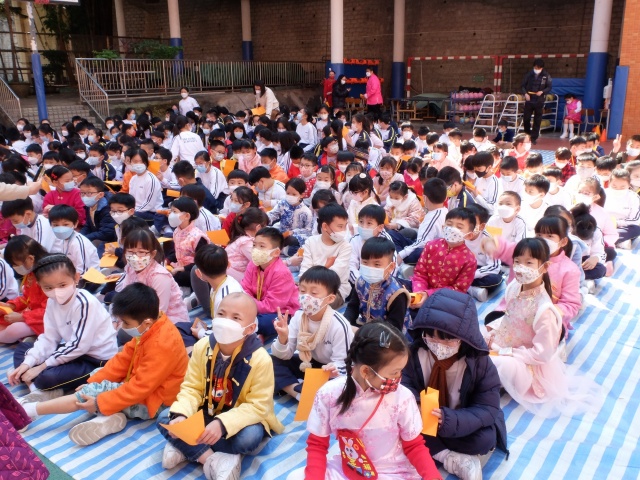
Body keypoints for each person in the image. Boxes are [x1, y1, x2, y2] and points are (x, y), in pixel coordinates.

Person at [18, 283, 189, 445]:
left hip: (157, 401)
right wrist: (94, 381)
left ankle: (28, 411)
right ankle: (109, 417)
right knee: (97, 376)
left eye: (126, 323)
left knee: (89, 393)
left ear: (147, 322)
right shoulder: (151, 327)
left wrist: (100, 401)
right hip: (141, 385)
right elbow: (123, 359)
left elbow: (140, 387)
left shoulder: (162, 343)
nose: (122, 326)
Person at [157, 293, 284, 478]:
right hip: (207, 411)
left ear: (250, 328)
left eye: (235, 318)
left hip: (239, 420)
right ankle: (210, 458)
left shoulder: (260, 359)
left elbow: (258, 406)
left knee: (249, 438)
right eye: (221, 314)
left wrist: (223, 424)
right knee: (165, 417)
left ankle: (186, 446)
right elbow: (192, 388)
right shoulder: (202, 347)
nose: (225, 322)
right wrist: (182, 415)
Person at [292, 322, 441, 480]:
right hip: (350, 469)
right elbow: (317, 444)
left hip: (392, 472)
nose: (399, 378)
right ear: (365, 371)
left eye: (400, 371)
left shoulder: (402, 397)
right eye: (394, 372)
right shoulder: (328, 394)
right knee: (296, 477)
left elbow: (414, 445)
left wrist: (433, 477)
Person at [484, 238, 602, 417]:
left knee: (496, 363)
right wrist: (492, 333)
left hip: (525, 363)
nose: (521, 268)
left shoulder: (544, 310)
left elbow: (541, 354)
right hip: (504, 344)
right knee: (471, 337)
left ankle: (500, 384)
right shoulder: (514, 287)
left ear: (545, 267)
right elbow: (509, 318)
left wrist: (505, 352)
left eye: (529, 263)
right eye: (517, 262)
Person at [403, 289, 508, 480]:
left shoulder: (479, 363)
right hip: (420, 420)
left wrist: (449, 420)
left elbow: (487, 408)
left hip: (458, 419)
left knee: (484, 439)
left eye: (447, 339)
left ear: (464, 337)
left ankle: (431, 449)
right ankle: (449, 457)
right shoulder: (415, 353)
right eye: (430, 336)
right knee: (397, 424)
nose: (437, 344)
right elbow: (403, 384)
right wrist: (415, 404)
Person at [9, 254, 118, 401]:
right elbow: (49, 338)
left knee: (47, 377)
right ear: (40, 286)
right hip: (72, 352)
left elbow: (79, 346)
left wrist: (40, 367)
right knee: (23, 349)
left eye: (62, 285)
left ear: (76, 278)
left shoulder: (84, 303)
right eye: (48, 287)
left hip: (95, 360)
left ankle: (39, 385)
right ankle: (35, 384)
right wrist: (27, 363)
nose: (56, 291)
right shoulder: (51, 302)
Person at [271, 266, 353, 399]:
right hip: (308, 362)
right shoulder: (299, 316)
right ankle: (299, 393)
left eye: (314, 293)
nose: (306, 297)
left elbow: (343, 364)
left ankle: (305, 391)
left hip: (328, 370)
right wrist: (283, 338)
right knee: (270, 362)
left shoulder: (339, 325)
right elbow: (284, 355)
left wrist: (332, 369)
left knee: (341, 386)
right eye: (302, 291)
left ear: (330, 299)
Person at [113, 229, 190, 338]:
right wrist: (118, 320)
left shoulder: (159, 276)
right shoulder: (130, 268)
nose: (135, 257)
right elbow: (124, 298)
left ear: (152, 253)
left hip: (168, 321)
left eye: (141, 252)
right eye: (130, 251)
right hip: (138, 316)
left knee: (123, 335)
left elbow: (159, 313)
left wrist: (131, 326)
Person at [411, 208, 478, 309]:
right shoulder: (431, 246)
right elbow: (420, 273)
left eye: (459, 227)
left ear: (469, 235)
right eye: (449, 224)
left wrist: (428, 294)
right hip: (421, 290)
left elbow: (458, 289)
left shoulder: (470, 260)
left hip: (446, 299)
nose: (452, 229)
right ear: (443, 227)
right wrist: (419, 293)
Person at [241, 227, 299, 337]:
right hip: (256, 305)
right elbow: (245, 288)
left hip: (280, 311)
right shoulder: (253, 264)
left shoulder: (281, 273)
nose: (256, 249)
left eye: (261, 246)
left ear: (276, 252)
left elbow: (271, 306)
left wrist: (248, 304)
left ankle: (254, 332)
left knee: (264, 323)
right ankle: (254, 332)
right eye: (254, 245)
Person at [345, 237, 410, 332]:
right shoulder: (360, 282)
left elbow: (394, 327)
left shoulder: (397, 293)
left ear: (391, 267)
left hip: (389, 335)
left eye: (377, 264)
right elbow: (352, 307)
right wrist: (345, 324)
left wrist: (362, 333)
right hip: (364, 327)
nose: (370, 268)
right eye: (365, 262)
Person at [300, 204, 352, 308]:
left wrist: (316, 272)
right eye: (340, 226)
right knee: (292, 299)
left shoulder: (345, 246)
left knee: (320, 305)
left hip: (334, 290)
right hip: (309, 289)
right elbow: (304, 270)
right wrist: (326, 267)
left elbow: (334, 276)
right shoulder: (311, 242)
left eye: (345, 226)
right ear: (324, 226)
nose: (344, 231)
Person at [0, 236, 48, 344]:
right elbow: (26, 298)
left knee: (14, 330)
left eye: (15, 264)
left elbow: (50, 310)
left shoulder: (47, 276)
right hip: (31, 313)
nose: (14, 268)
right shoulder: (31, 273)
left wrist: (22, 317)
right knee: (4, 317)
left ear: (30, 259)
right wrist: (11, 305)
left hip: (46, 319)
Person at [191, 245, 244, 334]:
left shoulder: (225, 298)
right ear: (228, 264)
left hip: (235, 337)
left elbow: (225, 335)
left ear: (198, 273)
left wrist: (200, 333)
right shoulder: (226, 282)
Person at [398, 178, 448, 265]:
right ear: (445, 198)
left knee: (395, 238)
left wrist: (401, 255)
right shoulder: (444, 211)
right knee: (397, 235)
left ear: (424, 198)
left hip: (426, 252)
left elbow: (422, 242)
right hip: (425, 245)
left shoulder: (434, 217)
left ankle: (401, 262)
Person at [168, 197, 210, 288]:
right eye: (171, 211)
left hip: (193, 269)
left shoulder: (198, 237)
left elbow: (202, 262)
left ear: (187, 216)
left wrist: (183, 268)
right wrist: (167, 260)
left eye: (174, 212)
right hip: (179, 266)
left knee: (175, 277)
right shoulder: (177, 231)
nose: (170, 215)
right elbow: (176, 251)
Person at [465, 204, 503, 302]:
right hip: (463, 268)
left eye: (472, 223)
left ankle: (464, 286)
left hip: (482, 270)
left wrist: (471, 275)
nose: (468, 226)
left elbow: (494, 266)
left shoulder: (488, 239)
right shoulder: (459, 234)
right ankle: (471, 289)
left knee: (495, 280)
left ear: (482, 226)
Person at [49, 205, 100, 275]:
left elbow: (83, 272)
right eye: (56, 225)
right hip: (71, 274)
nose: (60, 229)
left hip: (89, 278)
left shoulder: (79, 243)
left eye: (65, 224)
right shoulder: (61, 239)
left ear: (75, 224)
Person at [268, 177, 313, 253]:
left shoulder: (306, 211)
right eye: (288, 193)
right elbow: (273, 214)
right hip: (281, 232)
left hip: (294, 235)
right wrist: (264, 217)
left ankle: (281, 248)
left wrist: (293, 232)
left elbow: (308, 230)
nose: (290, 196)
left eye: (294, 194)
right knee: (268, 231)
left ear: (302, 195)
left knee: (291, 240)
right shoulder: (283, 203)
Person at [226, 207, 269, 282]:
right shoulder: (246, 243)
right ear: (258, 227)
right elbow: (264, 263)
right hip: (235, 279)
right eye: (265, 227)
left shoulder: (242, 237)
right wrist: (288, 262)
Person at [605, 168, 640, 249]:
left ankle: (606, 241)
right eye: (614, 186)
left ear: (629, 184)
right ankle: (616, 242)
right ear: (609, 183)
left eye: (622, 187)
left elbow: (635, 220)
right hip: (604, 226)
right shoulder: (602, 194)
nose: (618, 189)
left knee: (636, 229)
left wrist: (617, 223)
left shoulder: (634, 197)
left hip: (623, 227)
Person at [520, 59, 552, 144]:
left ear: (542, 68)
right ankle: (527, 135)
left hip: (539, 100)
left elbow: (549, 87)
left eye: (538, 68)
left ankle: (534, 138)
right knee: (526, 118)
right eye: (535, 67)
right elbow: (522, 86)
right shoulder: (529, 74)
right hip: (529, 100)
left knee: (537, 120)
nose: (536, 69)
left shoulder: (546, 75)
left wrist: (542, 92)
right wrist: (525, 94)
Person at [78, 176, 117, 245]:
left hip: (110, 240)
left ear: (101, 194)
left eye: (89, 193)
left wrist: (85, 238)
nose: (85, 196)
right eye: (82, 193)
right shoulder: (89, 205)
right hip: (97, 236)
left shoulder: (108, 208)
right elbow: (88, 225)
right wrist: (79, 236)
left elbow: (106, 233)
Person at [128, 149, 163, 222]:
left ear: (146, 162)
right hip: (136, 210)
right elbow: (131, 198)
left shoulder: (151, 179)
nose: (138, 164)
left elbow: (149, 204)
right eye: (135, 161)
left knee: (128, 216)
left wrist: (133, 211)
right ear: (130, 162)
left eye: (141, 161)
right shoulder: (133, 179)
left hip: (150, 212)